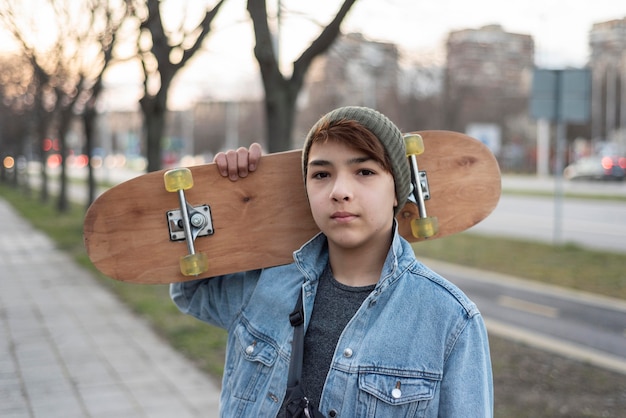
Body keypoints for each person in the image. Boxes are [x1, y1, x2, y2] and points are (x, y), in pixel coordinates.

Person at [170, 106, 493, 417]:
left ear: (398, 190)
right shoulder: (265, 282)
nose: (340, 191)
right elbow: (191, 292)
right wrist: (225, 193)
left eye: (364, 171)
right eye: (321, 174)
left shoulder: (451, 320)